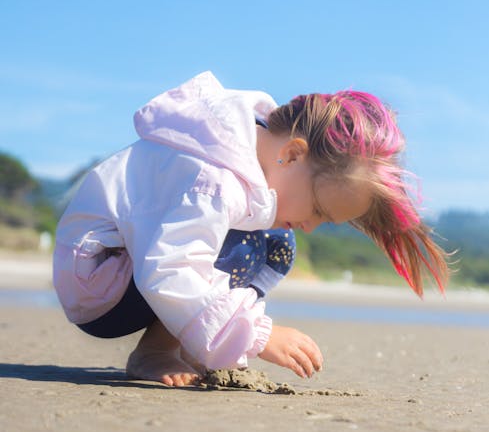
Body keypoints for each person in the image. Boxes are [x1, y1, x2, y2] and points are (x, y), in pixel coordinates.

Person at [53, 71, 449, 387]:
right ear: (292, 154)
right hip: (102, 281)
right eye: (318, 209)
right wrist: (256, 335)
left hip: (135, 269)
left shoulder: (236, 157)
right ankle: (155, 351)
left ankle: (194, 341)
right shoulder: (213, 178)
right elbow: (172, 267)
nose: (311, 226)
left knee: (278, 241)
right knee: (247, 240)